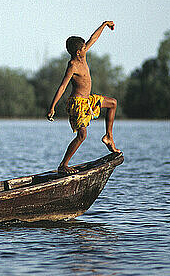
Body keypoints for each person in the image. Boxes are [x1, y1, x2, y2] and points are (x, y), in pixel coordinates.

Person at [47, 21, 122, 174]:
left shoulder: (83, 56)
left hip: (89, 100)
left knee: (112, 103)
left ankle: (108, 136)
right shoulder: (73, 65)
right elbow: (62, 86)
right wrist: (52, 107)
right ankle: (63, 165)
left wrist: (104, 24)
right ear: (77, 52)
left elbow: (93, 38)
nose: (85, 48)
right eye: (82, 48)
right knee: (82, 135)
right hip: (77, 104)